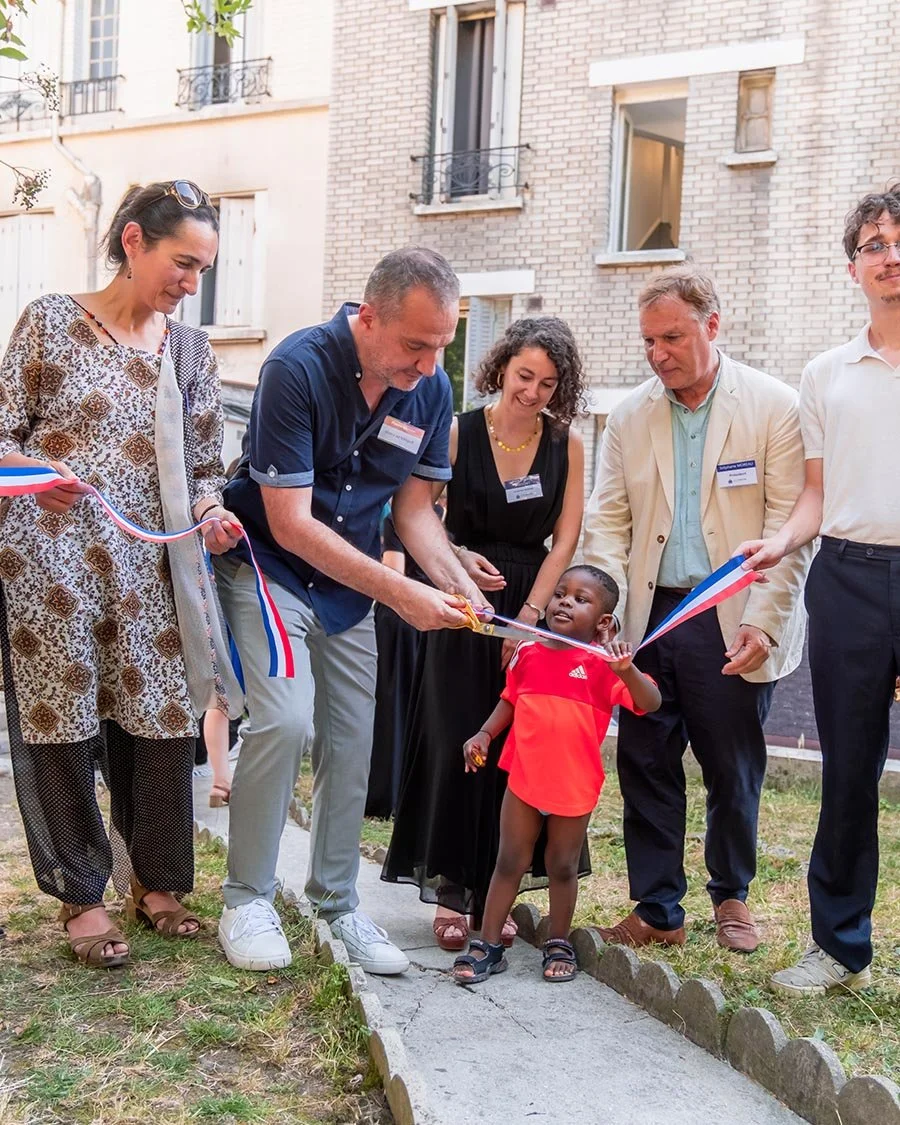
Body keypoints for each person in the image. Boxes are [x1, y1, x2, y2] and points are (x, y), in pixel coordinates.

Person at [213, 248, 486, 975]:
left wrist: (458, 583)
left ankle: (338, 903)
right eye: (415, 345)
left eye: (442, 346)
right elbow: (293, 521)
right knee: (283, 718)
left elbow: (416, 511)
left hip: (350, 590)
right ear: (368, 317)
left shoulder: (428, 391)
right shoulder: (296, 368)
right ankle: (246, 898)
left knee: (354, 740)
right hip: (270, 567)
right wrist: (402, 593)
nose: (430, 366)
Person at [0, 180, 241, 967]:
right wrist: (38, 471)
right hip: (50, 561)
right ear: (133, 241)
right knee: (62, 723)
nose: (190, 282)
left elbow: (207, 466)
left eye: (203, 268)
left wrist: (211, 512)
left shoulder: (191, 351)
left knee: (165, 721)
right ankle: (81, 895)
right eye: (181, 262)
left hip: (157, 563)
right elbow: (2, 433)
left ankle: (159, 881)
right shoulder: (49, 320)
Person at [584, 267, 810, 953]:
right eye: (649, 340)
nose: (658, 354)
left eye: (672, 336)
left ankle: (732, 896)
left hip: (733, 620)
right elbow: (609, 522)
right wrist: (606, 609)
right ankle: (658, 908)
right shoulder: (629, 416)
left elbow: (790, 528)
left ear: (713, 325)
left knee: (731, 764)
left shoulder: (775, 407)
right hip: (651, 619)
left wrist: (763, 622)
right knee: (645, 760)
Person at [738, 184, 900, 994]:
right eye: (875, 242)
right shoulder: (826, 372)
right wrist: (779, 540)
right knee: (849, 769)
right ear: (853, 267)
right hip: (849, 578)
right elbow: (814, 492)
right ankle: (838, 945)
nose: (890, 255)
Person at [382, 317, 588, 951]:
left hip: (533, 607)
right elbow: (413, 515)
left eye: (549, 383)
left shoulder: (568, 444)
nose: (533, 392)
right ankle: (449, 888)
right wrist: (460, 557)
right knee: (454, 734)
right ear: (501, 367)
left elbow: (567, 541)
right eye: (525, 376)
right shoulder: (455, 433)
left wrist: (528, 619)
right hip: (462, 600)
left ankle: (497, 888)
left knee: (516, 747)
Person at [451, 565, 661, 985]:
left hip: (574, 784)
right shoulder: (527, 652)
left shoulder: (604, 665)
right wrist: (484, 733)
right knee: (509, 860)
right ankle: (489, 943)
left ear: (603, 621)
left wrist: (627, 671)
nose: (565, 601)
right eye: (560, 593)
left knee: (562, 866)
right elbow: (511, 699)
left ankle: (558, 940)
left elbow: (650, 702)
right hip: (524, 779)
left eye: (580, 599)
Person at [365, 499, 444, 819]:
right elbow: (395, 573)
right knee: (407, 707)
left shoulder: (403, 517)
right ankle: (400, 797)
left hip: (415, 617)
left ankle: (394, 796)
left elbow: (395, 571)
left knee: (398, 706)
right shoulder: (420, 520)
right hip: (419, 618)